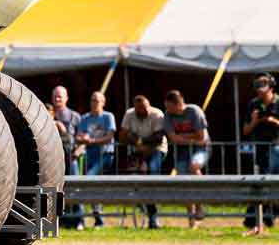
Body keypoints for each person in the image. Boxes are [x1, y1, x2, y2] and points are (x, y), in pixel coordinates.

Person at [163, 89, 210, 228]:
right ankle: (191, 218)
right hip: (182, 151)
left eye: (169, 107)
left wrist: (183, 138)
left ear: (178, 104)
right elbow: (173, 138)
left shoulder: (194, 111)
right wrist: (192, 137)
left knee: (194, 166)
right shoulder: (168, 115)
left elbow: (201, 137)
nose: (167, 110)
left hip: (201, 149)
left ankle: (200, 205)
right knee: (184, 181)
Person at [120, 95, 168, 229]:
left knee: (151, 174)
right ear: (136, 109)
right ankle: (141, 202)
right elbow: (122, 136)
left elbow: (158, 138)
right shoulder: (129, 114)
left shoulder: (157, 114)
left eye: (146, 108)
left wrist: (139, 141)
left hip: (156, 150)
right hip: (138, 150)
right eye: (140, 109)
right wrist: (138, 142)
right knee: (130, 174)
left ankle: (153, 217)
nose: (144, 111)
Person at [242, 73, 279, 235]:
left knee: (271, 182)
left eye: (262, 89)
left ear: (271, 88)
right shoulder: (253, 104)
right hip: (260, 149)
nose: (259, 93)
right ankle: (260, 221)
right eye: (257, 89)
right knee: (261, 183)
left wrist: (274, 122)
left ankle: (261, 219)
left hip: (277, 149)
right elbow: (245, 130)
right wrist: (255, 121)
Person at [75, 91, 116, 228]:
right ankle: (97, 218)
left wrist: (91, 140)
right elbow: (78, 137)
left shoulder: (108, 116)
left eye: (97, 101)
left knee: (89, 179)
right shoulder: (85, 118)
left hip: (105, 155)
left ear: (103, 103)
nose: (94, 103)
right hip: (90, 156)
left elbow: (109, 137)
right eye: (92, 100)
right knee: (92, 185)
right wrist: (83, 139)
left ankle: (96, 217)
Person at [50, 86, 83, 229]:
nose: (57, 99)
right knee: (56, 190)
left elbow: (81, 138)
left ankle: (79, 220)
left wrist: (79, 151)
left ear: (66, 98)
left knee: (75, 188)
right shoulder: (47, 114)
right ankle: (59, 220)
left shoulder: (75, 116)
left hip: (71, 156)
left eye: (60, 96)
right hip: (54, 160)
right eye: (55, 96)